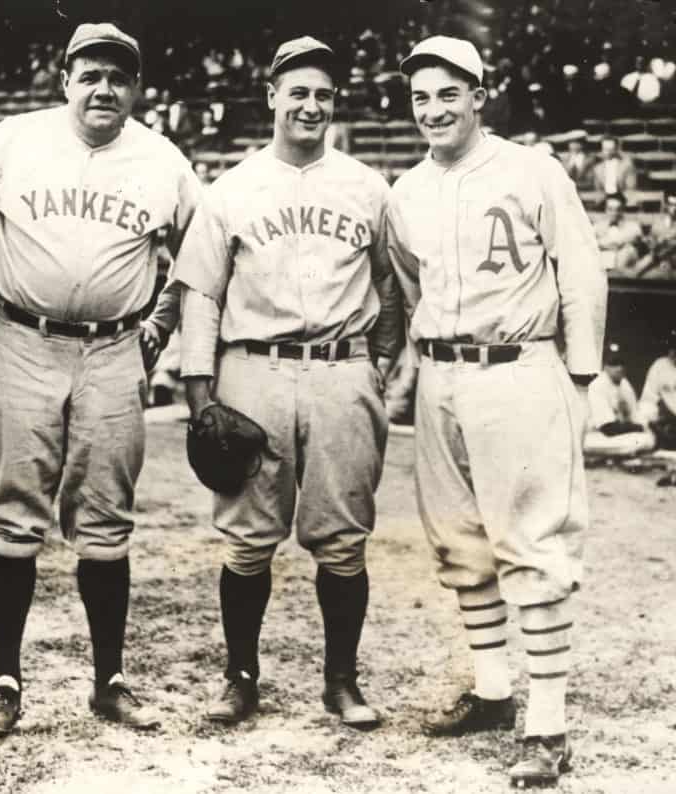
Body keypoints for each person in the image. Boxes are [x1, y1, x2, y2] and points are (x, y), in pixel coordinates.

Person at [0, 22, 200, 737]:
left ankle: (110, 679)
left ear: (136, 89)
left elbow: (202, 254)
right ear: (64, 79)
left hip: (116, 347)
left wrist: (162, 323)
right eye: (90, 74)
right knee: (13, 517)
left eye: (119, 77)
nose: (104, 88)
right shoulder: (10, 141)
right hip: (22, 339)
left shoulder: (162, 159)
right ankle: (4, 679)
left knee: (107, 519)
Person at [392, 35, 606, 788]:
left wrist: (580, 381)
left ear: (480, 95)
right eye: (420, 96)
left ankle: (547, 726)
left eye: (449, 92)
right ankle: (491, 691)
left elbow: (580, 271)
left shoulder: (531, 170)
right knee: (459, 542)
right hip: (442, 375)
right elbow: (410, 286)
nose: (433, 109)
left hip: (519, 367)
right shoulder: (406, 189)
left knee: (533, 544)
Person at [172, 36, 403, 729]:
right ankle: (241, 678)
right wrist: (199, 389)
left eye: (323, 94)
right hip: (253, 371)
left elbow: (389, 286)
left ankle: (341, 682)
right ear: (272, 96)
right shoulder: (233, 187)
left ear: (335, 103)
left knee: (343, 538)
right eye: (297, 91)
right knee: (248, 537)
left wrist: (381, 362)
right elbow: (201, 296)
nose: (310, 104)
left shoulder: (368, 186)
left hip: (342, 369)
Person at [584, 343, 655, 457]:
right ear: (604, 365)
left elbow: (635, 416)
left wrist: (645, 427)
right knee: (639, 441)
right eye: (614, 363)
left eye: (622, 363)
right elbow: (608, 428)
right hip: (596, 435)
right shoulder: (597, 386)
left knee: (648, 439)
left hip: (619, 435)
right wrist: (639, 427)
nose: (619, 368)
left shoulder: (625, 385)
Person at [639, 329, 676, 450]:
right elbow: (648, 397)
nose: (673, 353)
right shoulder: (660, 366)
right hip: (666, 418)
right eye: (672, 349)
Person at [594, 192, 644, 275]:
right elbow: (589, 242)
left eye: (618, 209)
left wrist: (603, 243)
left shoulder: (633, 226)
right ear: (605, 210)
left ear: (623, 210)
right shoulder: (598, 226)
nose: (614, 213)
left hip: (623, 264)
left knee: (628, 251)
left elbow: (632, 239)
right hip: (603, 262)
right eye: (610, 209)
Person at [635, 189, 676, 280]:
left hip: (672, 259)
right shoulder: (659, 223)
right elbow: (652, 241)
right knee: (637, 270)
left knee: (663, 274)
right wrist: (650, 241)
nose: (674, 208)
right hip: (656, 256)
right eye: (672, 204)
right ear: (667, 205)